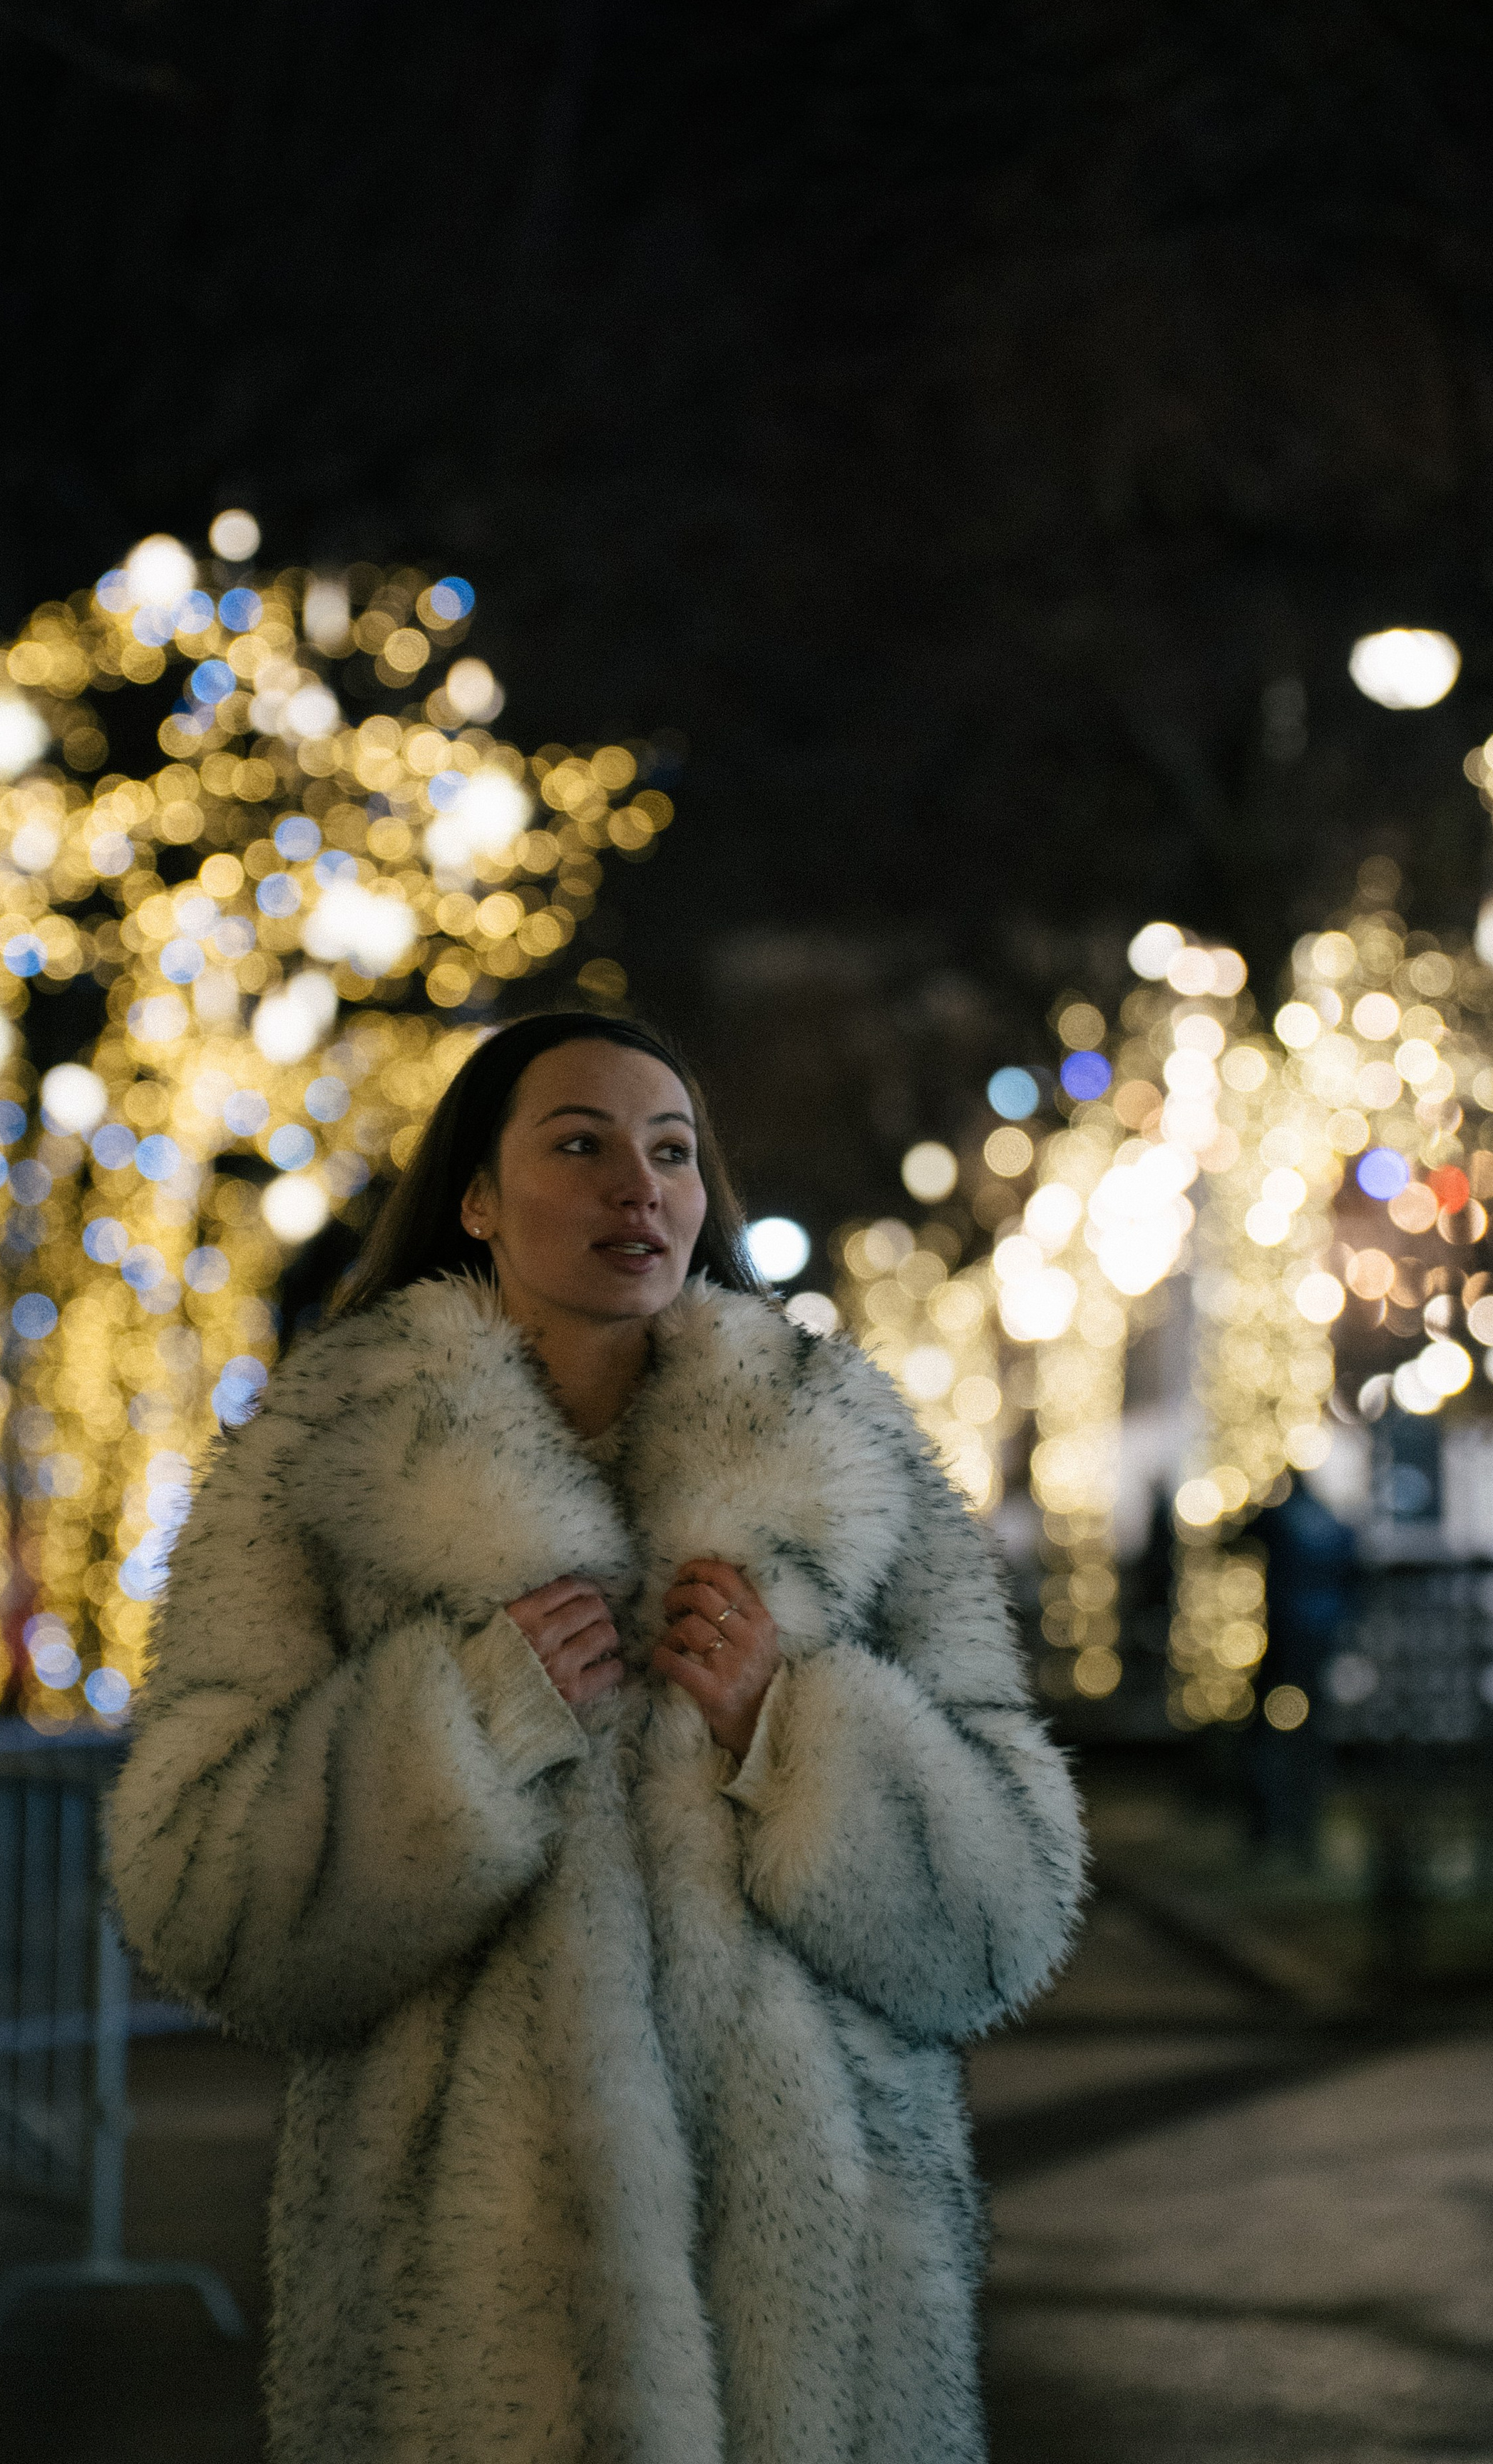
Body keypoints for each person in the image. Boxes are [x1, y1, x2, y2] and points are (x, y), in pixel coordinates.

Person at [110, 1010, 1085, 2464]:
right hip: (457, 2322)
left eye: (671, 1152)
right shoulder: (319, 1472)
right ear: (478, 1197)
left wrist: (791, 1731)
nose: (639, 1187)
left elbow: (1004, 1917)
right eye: (579, 1145)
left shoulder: (851, 1468)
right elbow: (198, 1897)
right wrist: (463, 1727)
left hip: (818, 2322)